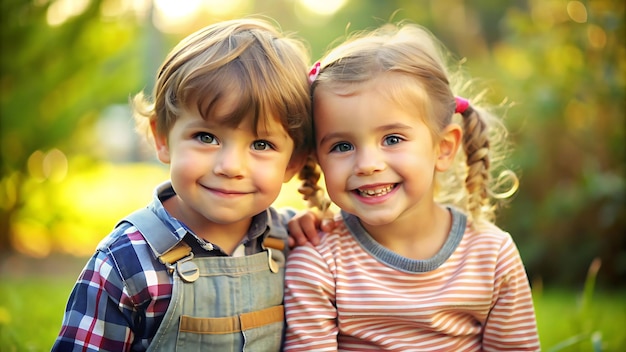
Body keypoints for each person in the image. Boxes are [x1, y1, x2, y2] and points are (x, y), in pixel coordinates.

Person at [52, 18, 319, 352]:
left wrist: (314, 234)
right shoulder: (126, 262)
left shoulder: (293, 245)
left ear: (293, 162)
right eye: (206, 137)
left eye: (261, 144)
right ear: (163, 138)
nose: (230, 167)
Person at [284, 22, 540, 351]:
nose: (367, 164)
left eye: (392, 139)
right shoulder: (319, 261)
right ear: (316, 157)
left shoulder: (491, 256)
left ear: (443, 148)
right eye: (342, 146)